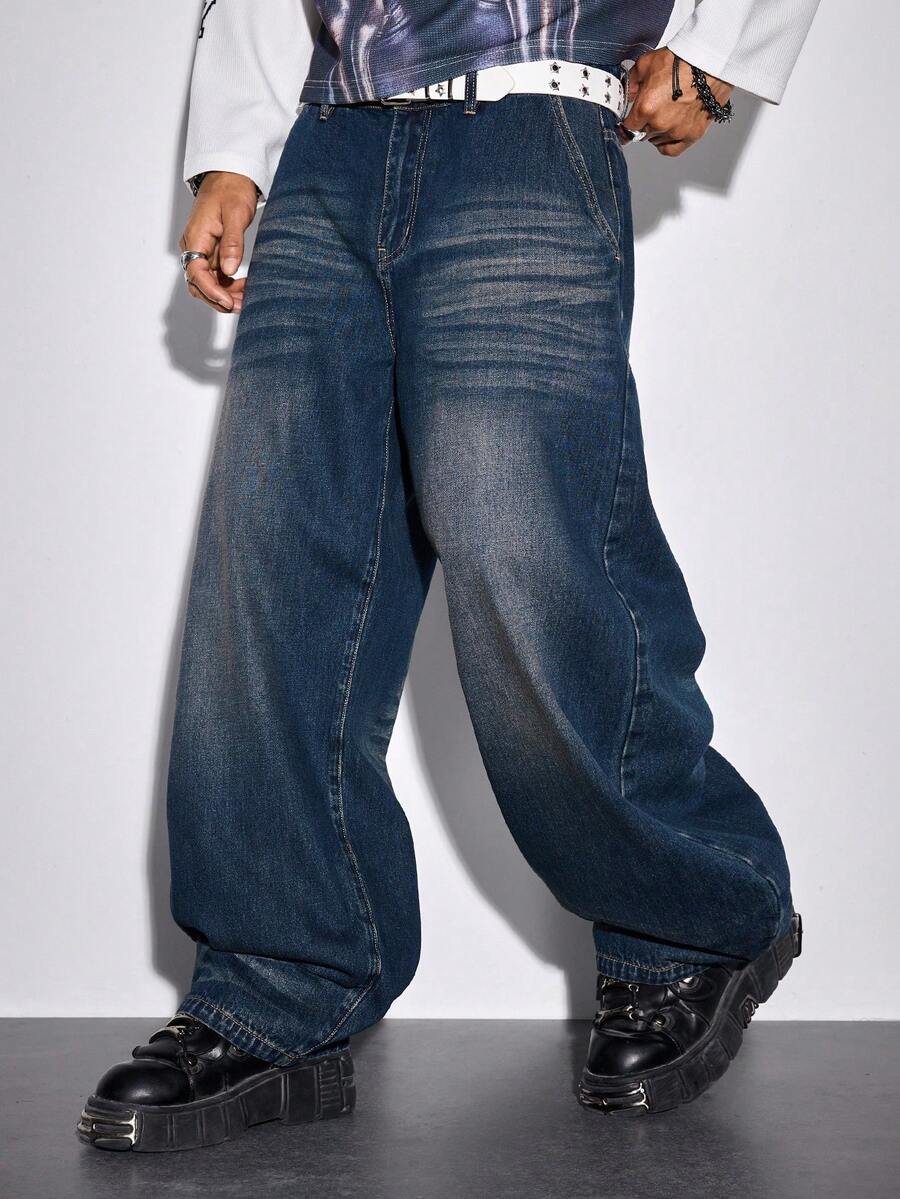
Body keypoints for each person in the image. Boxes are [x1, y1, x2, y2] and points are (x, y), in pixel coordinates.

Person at [77, 0, 817, 1151]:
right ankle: (282, 981)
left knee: (524, 547)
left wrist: (723, 46)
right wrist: (234, 147)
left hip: (530, 121)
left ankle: (691, 921)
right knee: (273, 574)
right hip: (325, 144)